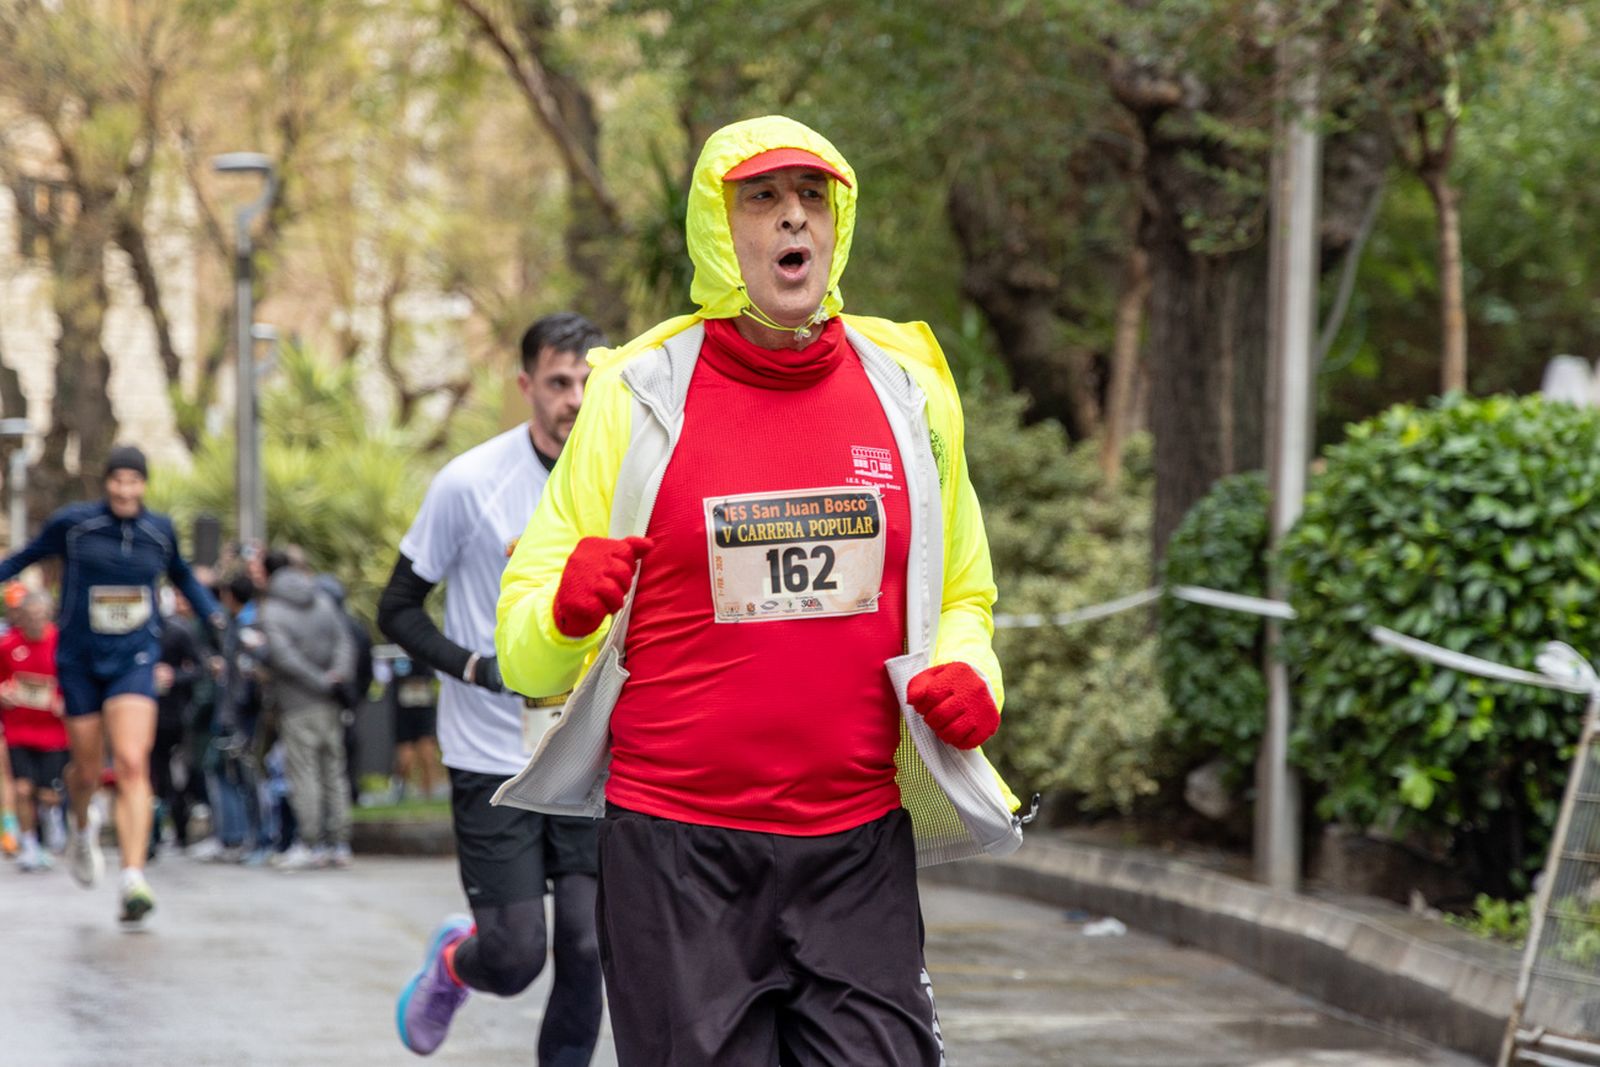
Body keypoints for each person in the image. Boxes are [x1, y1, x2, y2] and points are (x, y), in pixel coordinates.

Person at [492, 116, 1026, 1065]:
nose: (795, 220)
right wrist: (569, 610)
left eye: (813, 197)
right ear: (716, 227)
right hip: (677, 853)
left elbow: (962, 595)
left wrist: (967, 673)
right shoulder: (637, 391)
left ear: (839, 222)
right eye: (764, 198)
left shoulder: (909, 390)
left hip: (855, 842)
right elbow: (524, 650)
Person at [380, 311, 607, 1061]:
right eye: (558, 382)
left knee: (587, 941)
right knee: (515, 956)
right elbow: (397, 608)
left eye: (586, 380)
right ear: (526, 386)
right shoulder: (471, 482)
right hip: (489, 752)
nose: (574, 398)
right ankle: (454, 961)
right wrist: (475, 666)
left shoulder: (622, 482)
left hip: (586, 753)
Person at [0, 445, 222, 922]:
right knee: (84, 769)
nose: (125, 490)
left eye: (134, 481)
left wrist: (214, 614)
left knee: (131, 762)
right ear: (106, 482)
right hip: (80, 659)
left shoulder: (158, 531)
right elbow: (26, 555)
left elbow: (182, 575)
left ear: (144, 485)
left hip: (134, 658)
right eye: (117, 480)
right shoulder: (75, 525)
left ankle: (133, 877)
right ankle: (82, 827)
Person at [258, 548, 355, 870]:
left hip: (298, 705)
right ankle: (339, 842)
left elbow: (283, 657)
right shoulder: (323, 599)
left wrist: (317, 681)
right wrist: (335, 678)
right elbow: (345, 642)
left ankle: (310, 842)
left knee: (305, 775)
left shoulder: (271, 610)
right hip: (330, 703)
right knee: (334, 772)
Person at [0, 590, 68, 871]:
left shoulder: (62, 643)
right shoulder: (8, 646)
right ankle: (28, 843)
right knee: (23, 788)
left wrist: (66, 700)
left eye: (40, 616)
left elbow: (75, 680)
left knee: (48, 793)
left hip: (54, 733)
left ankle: (52, 823)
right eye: (30, 617)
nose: (35, 622)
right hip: (19, 730)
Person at [151, 589, 206, 853]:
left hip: (172, 716)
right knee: (149, 774)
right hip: (139, 713)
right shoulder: (133, 635)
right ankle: (151, 833)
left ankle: (179, 828)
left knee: (173, 774)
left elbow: (200, 668)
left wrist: (172, 675)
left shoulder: (177, 631)